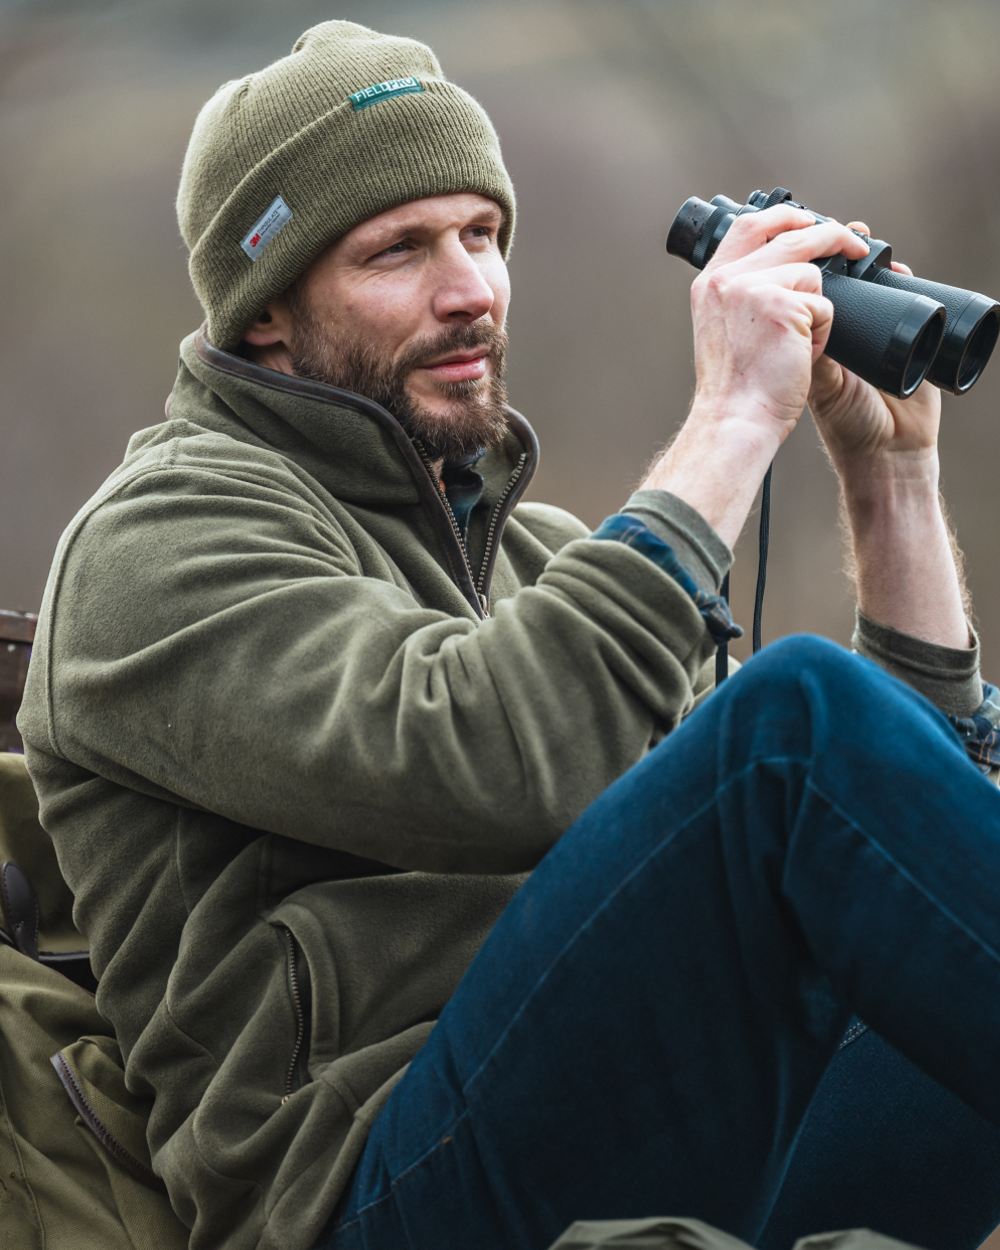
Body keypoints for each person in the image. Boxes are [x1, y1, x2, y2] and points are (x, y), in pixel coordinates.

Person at [16, 19, 1000, 1250]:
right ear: (266, 308)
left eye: (481, 233)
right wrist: (736, 416)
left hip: (612, 1116)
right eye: (398, 249)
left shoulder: (540, 558)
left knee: (921, 983)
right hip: (372, 1191)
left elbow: (899, 842)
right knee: (789, 723)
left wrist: (889, 480)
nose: (470, 289)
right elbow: (491, 757)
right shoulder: (156, 541)